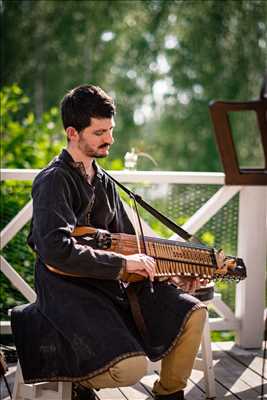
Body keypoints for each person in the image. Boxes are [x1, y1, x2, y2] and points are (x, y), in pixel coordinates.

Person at [11, 84, 208, 400]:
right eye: (100, 132)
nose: (110, 139)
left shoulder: (104, 181)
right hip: (69, 296)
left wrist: (171, 272)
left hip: (114, 291)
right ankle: (79, 381)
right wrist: (123, 264)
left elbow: (133, 246)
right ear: (73, 133)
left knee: (193, 312)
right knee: (129, 370)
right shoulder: (54, 180)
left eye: (111, 130)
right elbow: (55, 250)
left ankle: (168, 394)